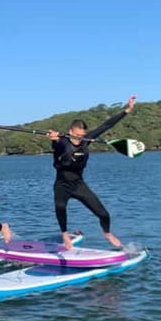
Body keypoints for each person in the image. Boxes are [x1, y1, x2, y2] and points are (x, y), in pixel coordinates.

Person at [46, 95, 136, 250]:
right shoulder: (62, 141)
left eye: (82, 135)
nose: (80, 138)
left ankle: (107, 233)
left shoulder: (87, 139)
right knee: (60, 207)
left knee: (104, 214)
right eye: (77, 134)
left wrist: (126, 110)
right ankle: (65, 234)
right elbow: (57, 146)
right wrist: (53, 139)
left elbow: (106, 125)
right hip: (62, 184)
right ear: (70, 131)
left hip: (79, 184)